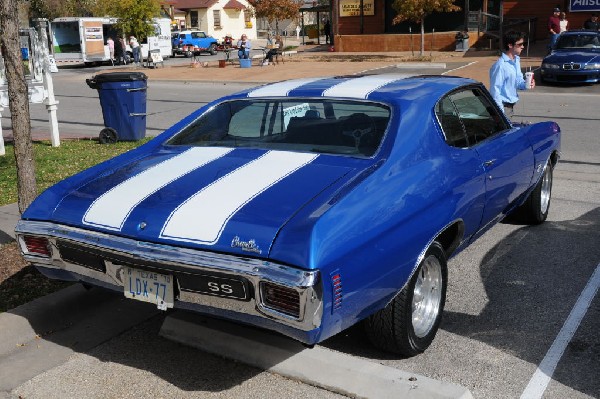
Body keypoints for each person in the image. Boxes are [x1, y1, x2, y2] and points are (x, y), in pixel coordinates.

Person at [489, 30, 534, 117]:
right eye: (520, 44)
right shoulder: (500, 65)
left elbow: (518, 81)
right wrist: (500, 114)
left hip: (510, 107)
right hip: (502, 108)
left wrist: (526, 84)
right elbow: (495, 91)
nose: (523, 47)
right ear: (510, 45)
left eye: (523, 44)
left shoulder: (516, 60)